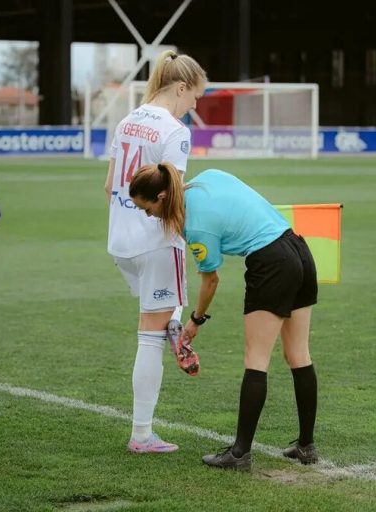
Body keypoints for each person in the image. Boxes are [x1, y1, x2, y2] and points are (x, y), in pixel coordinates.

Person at [129, 164, 319, 471]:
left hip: (271, 262)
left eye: (147, 208)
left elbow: (211, 280)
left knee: (256, 358)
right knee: (298, 354)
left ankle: (240, 453)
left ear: (162, 196)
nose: (148, 215)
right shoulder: (206, 177)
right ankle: (306, 446)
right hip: (299, 250)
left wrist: (196, 320)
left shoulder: (196, 227)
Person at [104, 50, 207, 454]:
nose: (194, 106)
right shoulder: (175, 131)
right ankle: (142, 435)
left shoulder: (127, 120)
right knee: (149, 335)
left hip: (120, 242)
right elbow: (171, 198)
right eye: (194, 96)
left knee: (161, 313)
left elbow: (110, 183)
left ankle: (173, 322)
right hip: (155, 243)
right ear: (180, 88)